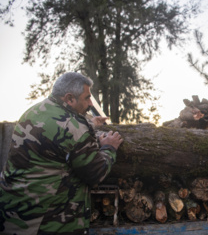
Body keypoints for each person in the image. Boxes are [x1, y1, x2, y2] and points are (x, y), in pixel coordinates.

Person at [0, 72, 123, 234]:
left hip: (15, 215)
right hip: (46, 222)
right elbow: (96, 173)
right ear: (70, 98)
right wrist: (109, 148)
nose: (91, 103)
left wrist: (89, 126)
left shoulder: (34, 111)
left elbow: (60, 135)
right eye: (87, 98)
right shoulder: (73, 127)